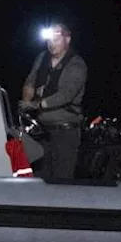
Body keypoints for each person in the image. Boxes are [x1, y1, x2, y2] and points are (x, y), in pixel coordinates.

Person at [20, 23, 88, 182]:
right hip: (42, 132)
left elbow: (66, 95)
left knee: (61, 180)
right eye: (49, 40)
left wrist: (38, 104)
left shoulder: (77, 64)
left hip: (65, 132)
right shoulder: (42, 58)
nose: (52, 44)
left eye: (56, 39)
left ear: (67, 39)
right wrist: (25, 103)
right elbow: (30, 81)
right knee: (39, 178)